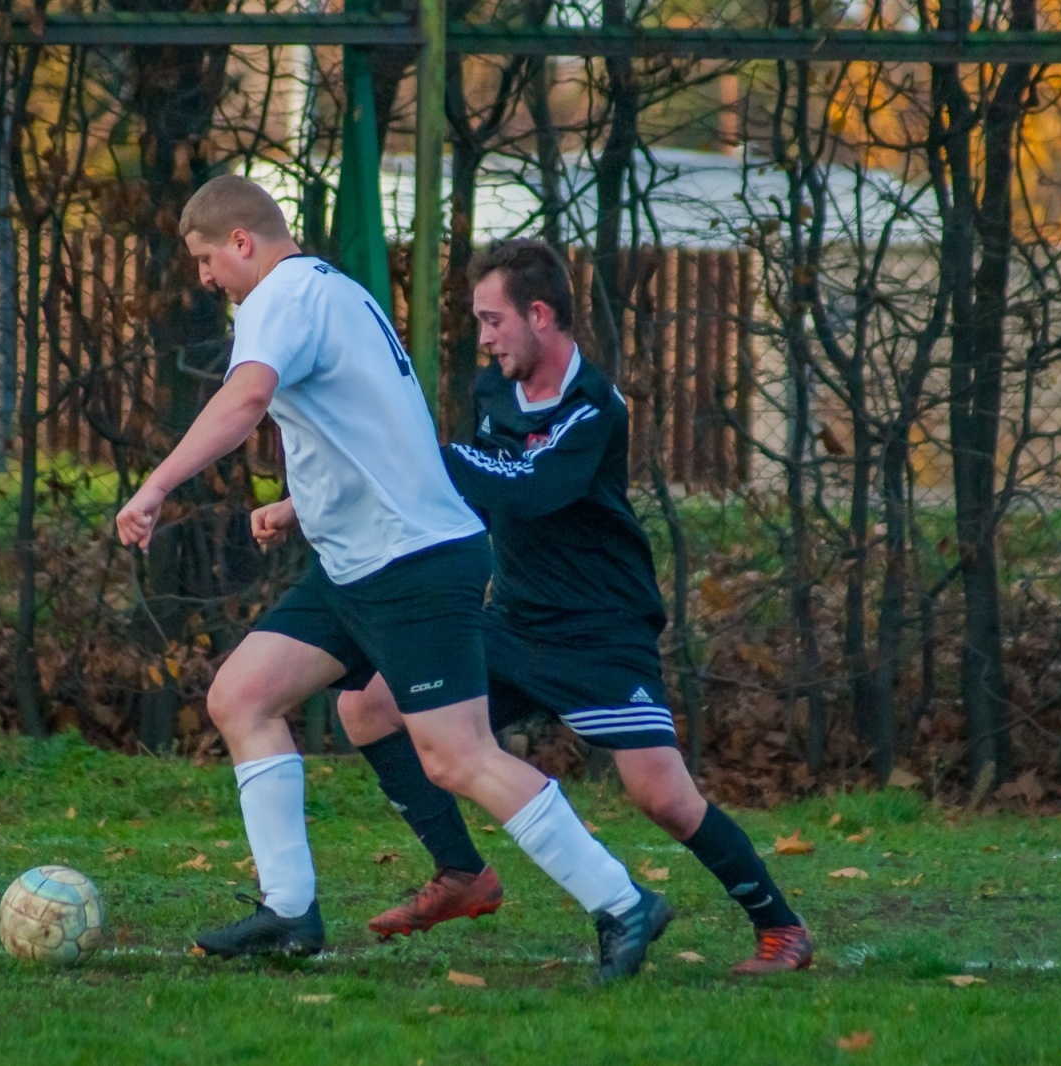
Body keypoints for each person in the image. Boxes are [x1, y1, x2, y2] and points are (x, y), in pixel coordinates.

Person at [116, 177, 669, 983]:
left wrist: (157, 484)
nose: (204, 279)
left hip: (412, 564)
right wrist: (302, 507)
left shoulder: (278, 299)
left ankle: (623, 903)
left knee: (456, 756)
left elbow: (246, 402)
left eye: (206, 259)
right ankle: (289, 912)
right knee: (243, 696)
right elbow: (378, 430)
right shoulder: (335, 293)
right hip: (359, 563)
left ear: (242, 243)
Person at [320, 239, 813, 975]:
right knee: (368, 706)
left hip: (602, 634)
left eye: (493, 321)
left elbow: (528, 487)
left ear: (539, 315)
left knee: (665, 799)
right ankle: (460, 873)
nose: (484, 339)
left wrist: (426, 451)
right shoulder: (496, 393)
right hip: (514, 625)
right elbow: (474, 493)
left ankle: (781, 929)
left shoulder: (595, 409)